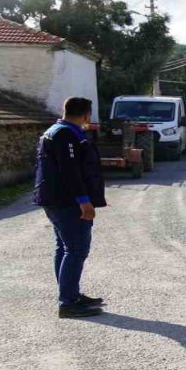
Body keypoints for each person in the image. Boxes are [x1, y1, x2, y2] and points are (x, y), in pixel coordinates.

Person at [32, 97, 107, 318]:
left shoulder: (55, 130)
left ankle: (70, 294)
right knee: (76, 250)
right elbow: (70, 171)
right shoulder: (66, 135)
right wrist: (84, 201)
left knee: (64, 248)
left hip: (55, 199)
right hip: (67, 202)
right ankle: (67, 303)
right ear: (86, 115)